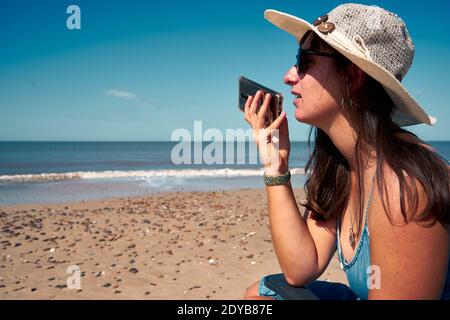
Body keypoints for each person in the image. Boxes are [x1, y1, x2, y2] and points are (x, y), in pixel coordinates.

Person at [243, 3, 450, 300]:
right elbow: (302, 266)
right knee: (259, 297)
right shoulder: (340, 163)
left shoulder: (404, 185)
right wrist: (275, 166)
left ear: (353, 77)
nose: (289, 76)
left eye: (304, 62)